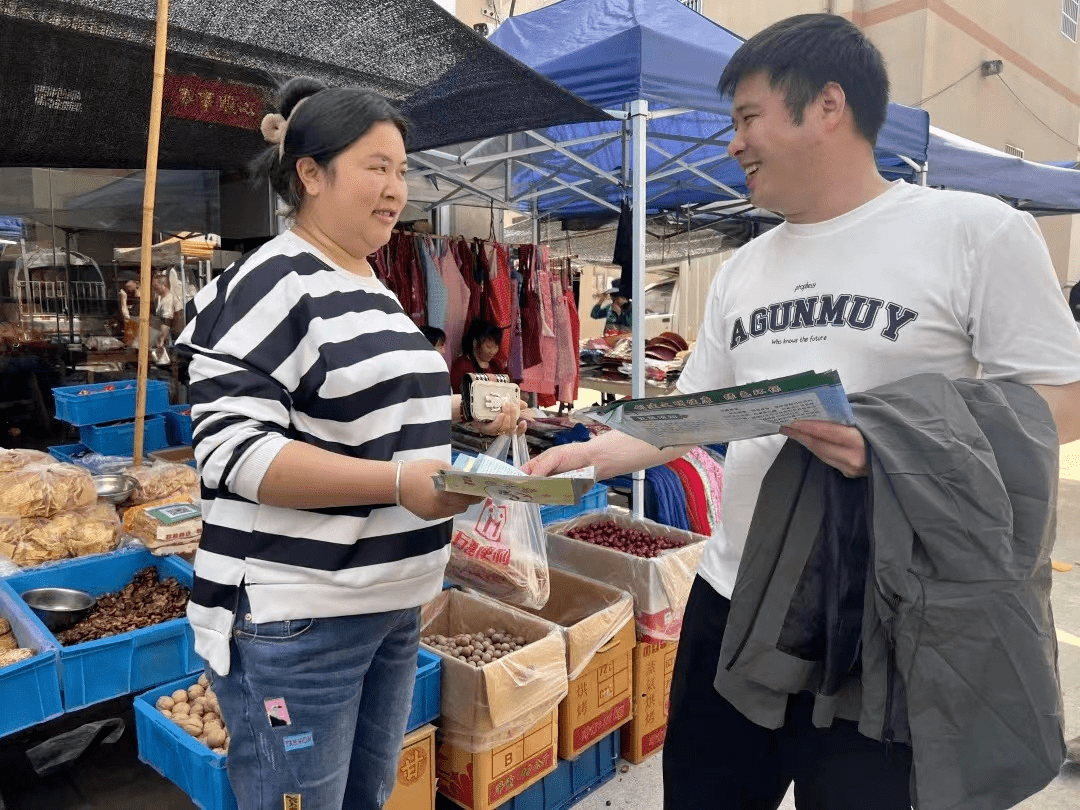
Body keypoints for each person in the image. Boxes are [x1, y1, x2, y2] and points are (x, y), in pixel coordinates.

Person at [524, 14, 1080, 810]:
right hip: (732, 599)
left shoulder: (975, 232)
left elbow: (1061, 400)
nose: (733, 144)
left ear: (827, 106)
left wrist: (889, 443)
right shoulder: (747, 266)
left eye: (747, 118)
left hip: (879, 616)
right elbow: (701, 411)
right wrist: (595, 449)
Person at [176, 77, 525, 810]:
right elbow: (235, 455)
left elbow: (376, 426)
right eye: (377, 166)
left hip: (391, 605)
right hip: (300, 620)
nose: (397, 188)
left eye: (403, 170)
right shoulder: (269, 283)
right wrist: (399, 484)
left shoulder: (372, 285)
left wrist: (470, 438)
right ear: (310, 173)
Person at [448, 319, 509, 394]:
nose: (493, 351)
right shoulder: (461, 366)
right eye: (489, 347)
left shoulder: (496, 364)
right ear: (475, 343)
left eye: (496, 347)